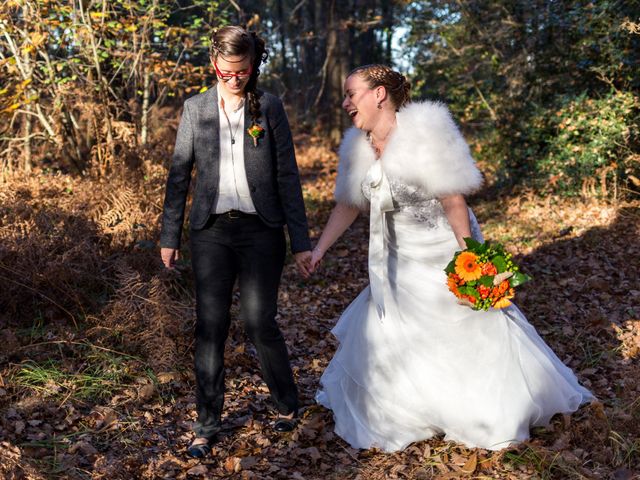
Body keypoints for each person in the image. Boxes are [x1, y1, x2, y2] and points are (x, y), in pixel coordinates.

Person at [309, 64, 593, 452]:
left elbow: (453, 199)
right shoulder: (357, 146)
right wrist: (320, 248)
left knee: (465, 328)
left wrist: (470, 262)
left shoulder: (425, 131)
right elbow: (349, 203)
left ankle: (484, 408)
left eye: (351, 93)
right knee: (391, 332)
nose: (344, 103)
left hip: (442, 250)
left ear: (378, 94)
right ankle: (410, 408)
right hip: (393, 261)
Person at [160, 26, 312, 458]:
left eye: (241, 72)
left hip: (262, 230)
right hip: (210, 232)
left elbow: (287, 176)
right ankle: (207, 423)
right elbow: (178, 176)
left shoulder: (271, 108)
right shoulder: (195, 109)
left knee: (260, 321)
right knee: (210, 327)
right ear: (214, 65)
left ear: (252, 66)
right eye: (225, 72)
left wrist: (301, 241)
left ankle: (287, 405)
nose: (233, 79)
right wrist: (169, 235)